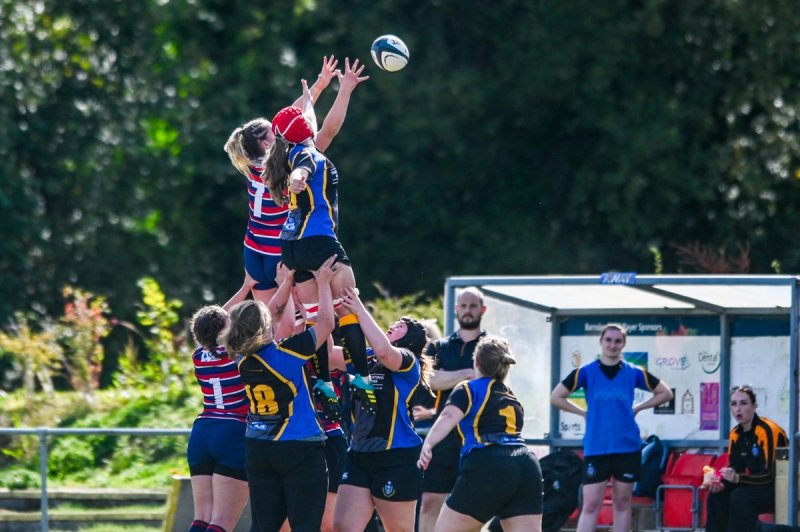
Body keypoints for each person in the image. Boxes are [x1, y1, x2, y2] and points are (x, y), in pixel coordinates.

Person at [224, 56, 367, 411]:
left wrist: (318, 86)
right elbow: (316, 130)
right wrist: (336, 88)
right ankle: (325, 384)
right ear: (270, 143)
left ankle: (295, 384)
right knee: (293, 329)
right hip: (279, 250)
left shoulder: (257, 164)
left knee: (285, 325)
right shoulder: (292, 160)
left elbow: (293, 119)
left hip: (254, 249)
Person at [263, 59, 376, 414]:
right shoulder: (308, 155)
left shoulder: (280, 156)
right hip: (319, 241)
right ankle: (360, 376)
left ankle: (324, 382)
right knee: (347, 306)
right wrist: (299, 177)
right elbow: (309, 158)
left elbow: (312, 119)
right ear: (306, 131)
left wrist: (331, 87)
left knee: (314, 318)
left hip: (292, 248)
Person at [222, 255, 339, 532]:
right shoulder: (285, 354)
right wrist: (323, 284)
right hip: (298, 447)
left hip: (259, 448)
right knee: (305, 526)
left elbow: (270, 313)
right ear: (264, 327)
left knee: (264, 527)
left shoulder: (239, 356)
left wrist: (284, 283)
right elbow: (325, 325)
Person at [550, 323, 673, 532]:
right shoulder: (586, 372)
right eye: (608, 340)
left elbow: (666, 393)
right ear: (601, 342)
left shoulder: (634, 372)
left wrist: (639, 408)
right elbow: (556, 397)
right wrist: (582, 413)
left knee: (623, 503)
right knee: (590, 505)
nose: (612, 345)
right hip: (597, 446)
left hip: (627, 447)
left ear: (623, 344)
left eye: (617, 341)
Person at [418, 335, 543, 532]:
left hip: (489, 462)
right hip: (527, 466)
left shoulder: (469, 387)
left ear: (476, 362)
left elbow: (449, 415)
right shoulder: (510, 394)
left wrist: (428, 443)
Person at [331, 287, 431, 532]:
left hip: (396, 456)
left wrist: (358, 308)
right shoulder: (364, 356)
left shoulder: (408, 361)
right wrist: (317, 313)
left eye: (400, 325)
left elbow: (385, 351)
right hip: (359, 454)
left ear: (410, 339)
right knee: (343, 526)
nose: (393, 325)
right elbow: (326, 355)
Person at [418, 287, 486, 531]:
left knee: (472, 508)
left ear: (482, 310)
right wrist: (468, 374)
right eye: (463, 306)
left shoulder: (489, 347)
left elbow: (492, 381)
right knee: (428, 502)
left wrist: (450, 377)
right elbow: (431, 380)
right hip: (443, 435)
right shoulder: (439, 347)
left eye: (473, 306)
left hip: (477, 436)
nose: (468, 311)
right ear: (456, 309)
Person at [186, 301, 252, 532]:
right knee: (221, 523)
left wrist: (247, 285)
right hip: (232, 431)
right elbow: (263, 319)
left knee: (201, 518)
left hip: (202, 433)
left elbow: (211, 324)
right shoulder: (240, 353)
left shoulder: (197, 356)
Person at [705, 385, 788, 532]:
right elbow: (736, 466)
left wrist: (738, 479)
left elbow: (769, 475)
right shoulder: (735, 434)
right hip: (757, 484)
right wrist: (722, 482)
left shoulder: (767, 430)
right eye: (734, 404)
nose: (738, 409)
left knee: (740, 496)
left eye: (743, 403)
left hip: (781, 486)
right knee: (717, 496)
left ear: (754, 406)